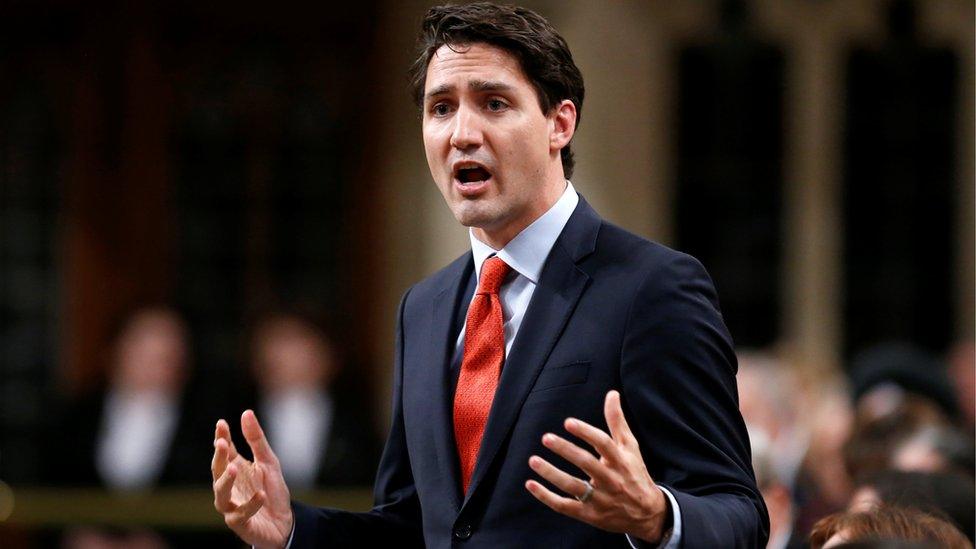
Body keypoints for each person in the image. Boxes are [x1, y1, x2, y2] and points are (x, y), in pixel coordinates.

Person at [211, 3, 768, 548]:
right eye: (441, 108)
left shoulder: (653, 287)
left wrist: (656, 518)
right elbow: (416, 528)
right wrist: (292, 530)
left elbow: (738, 514)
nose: (462, 133)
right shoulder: (423, 309)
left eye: (494, 103)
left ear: (560, 123)